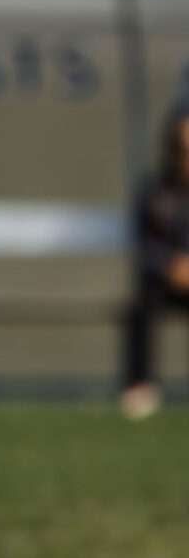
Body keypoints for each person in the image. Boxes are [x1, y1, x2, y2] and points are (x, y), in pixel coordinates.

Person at [120, 99, 189, 420]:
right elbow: (145, 245)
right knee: (141, 305)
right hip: (165, 282)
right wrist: (172, 266)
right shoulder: (155, 191)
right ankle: (141, 386)